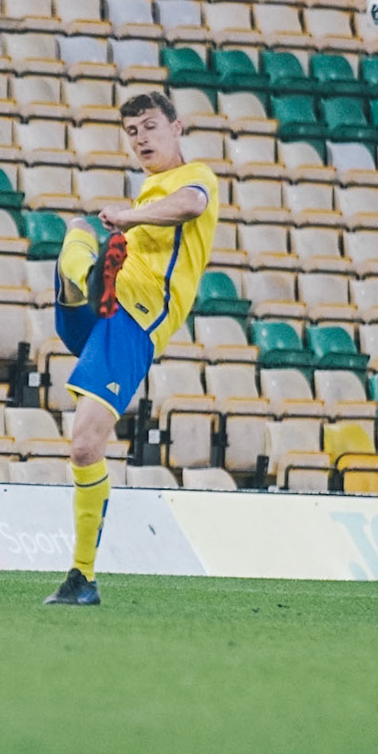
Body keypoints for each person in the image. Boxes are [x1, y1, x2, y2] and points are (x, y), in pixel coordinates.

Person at [44, 92, 220, 606]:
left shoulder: (197, 177)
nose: (141, 138)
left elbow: (190, 205)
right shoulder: (147, 190)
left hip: (135, 319)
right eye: (132, 132)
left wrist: (130, 217)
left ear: (176, 127)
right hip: (107, 308)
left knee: (84, 447)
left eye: (150, 126)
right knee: (77, 226)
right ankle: (82, 278)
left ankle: (82, 578)